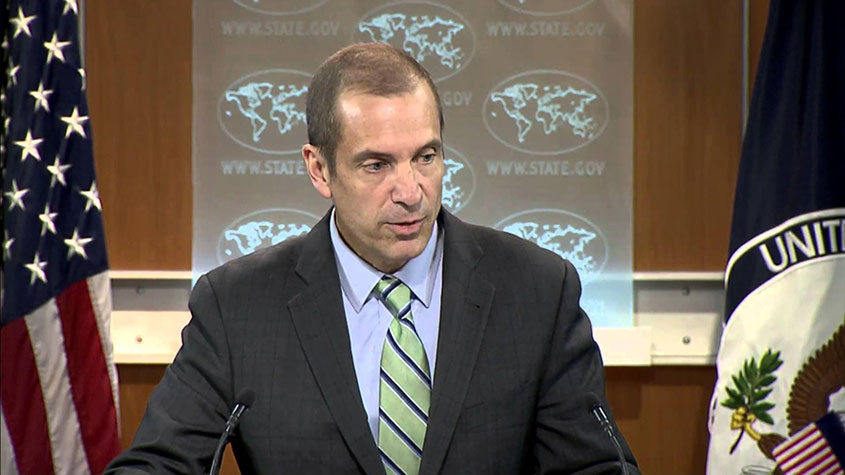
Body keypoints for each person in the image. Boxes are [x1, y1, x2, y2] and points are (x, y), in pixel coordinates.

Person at [106, 43, 639, 474]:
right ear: (319, 169)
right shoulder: (238, 307)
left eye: (426, 156)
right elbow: (159, 464)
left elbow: (596, 467)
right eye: (376, 165)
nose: (410, 192)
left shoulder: (538, 291)